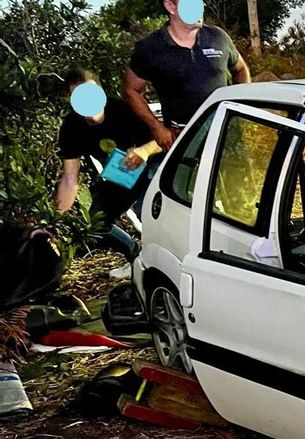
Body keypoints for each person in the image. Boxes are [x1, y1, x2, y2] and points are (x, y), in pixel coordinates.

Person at [56, 68, 159, 261]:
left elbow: (163, 141)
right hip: (120, 174)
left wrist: (143, 151)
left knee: (152, 213)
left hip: (152, 167)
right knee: (93, 224)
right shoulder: (71, 127)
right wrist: (56, 220)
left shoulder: (124, 110)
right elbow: (70, 179)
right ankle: (134, 253)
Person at [123, 0, 252, 151]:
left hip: (228, 135)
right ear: (170, 6)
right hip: (184, 140)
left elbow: (240, 69)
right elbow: (131, 90)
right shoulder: (150, 48)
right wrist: (156, 128)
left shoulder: (218, 37)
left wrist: (240, 106)